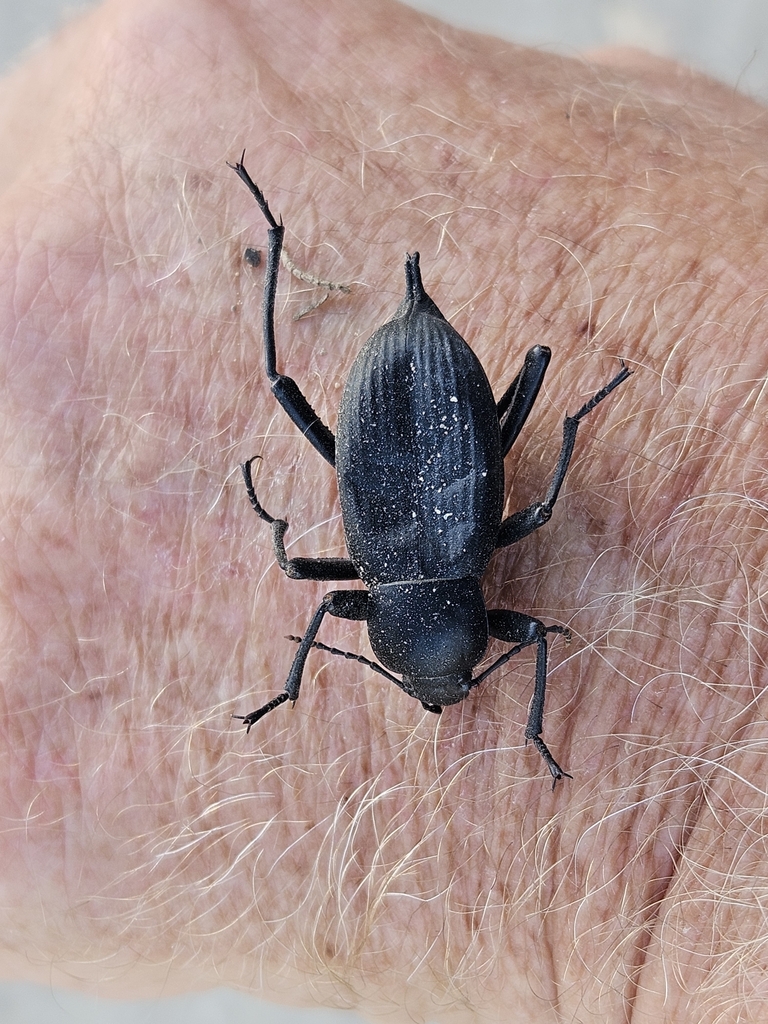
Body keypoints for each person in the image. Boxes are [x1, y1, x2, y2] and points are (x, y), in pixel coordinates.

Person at [0, 0, 766, 1020]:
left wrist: (575, 424)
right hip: (422, 392)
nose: (447, 686)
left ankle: (274, 232)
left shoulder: (450, 576)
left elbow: (374, 585)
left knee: (302, 398)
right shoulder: (384, 591)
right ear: (397, 628)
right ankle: (271, 233)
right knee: (286, 393)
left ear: (414, 632)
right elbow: (327, 604)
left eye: (430, 672)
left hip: (418, 397)